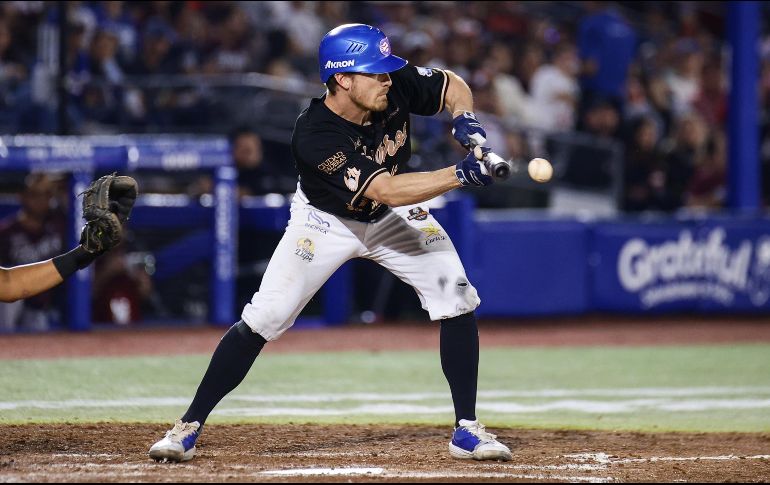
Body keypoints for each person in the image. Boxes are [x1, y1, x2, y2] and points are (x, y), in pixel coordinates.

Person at [149, 23, 512, 464]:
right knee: (266, 316)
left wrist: (463, 116)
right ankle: (188, 425)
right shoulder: (314, 133)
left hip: (392, 219)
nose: (386, 78)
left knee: (455, 294)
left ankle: (466, 430)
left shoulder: (390, 84)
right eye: (374, 72)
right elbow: (384, 189)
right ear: (343, 78)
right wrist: (459, 174)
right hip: (327, 221)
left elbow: (452, 84)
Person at [0, 173, 136, 305]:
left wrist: (85, 253)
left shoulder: (57, 222)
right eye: (36, 194)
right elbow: (9, 285)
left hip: (51, 303)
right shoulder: (7, 232)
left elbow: (10, 284)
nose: (41, 200)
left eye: (47, 194)